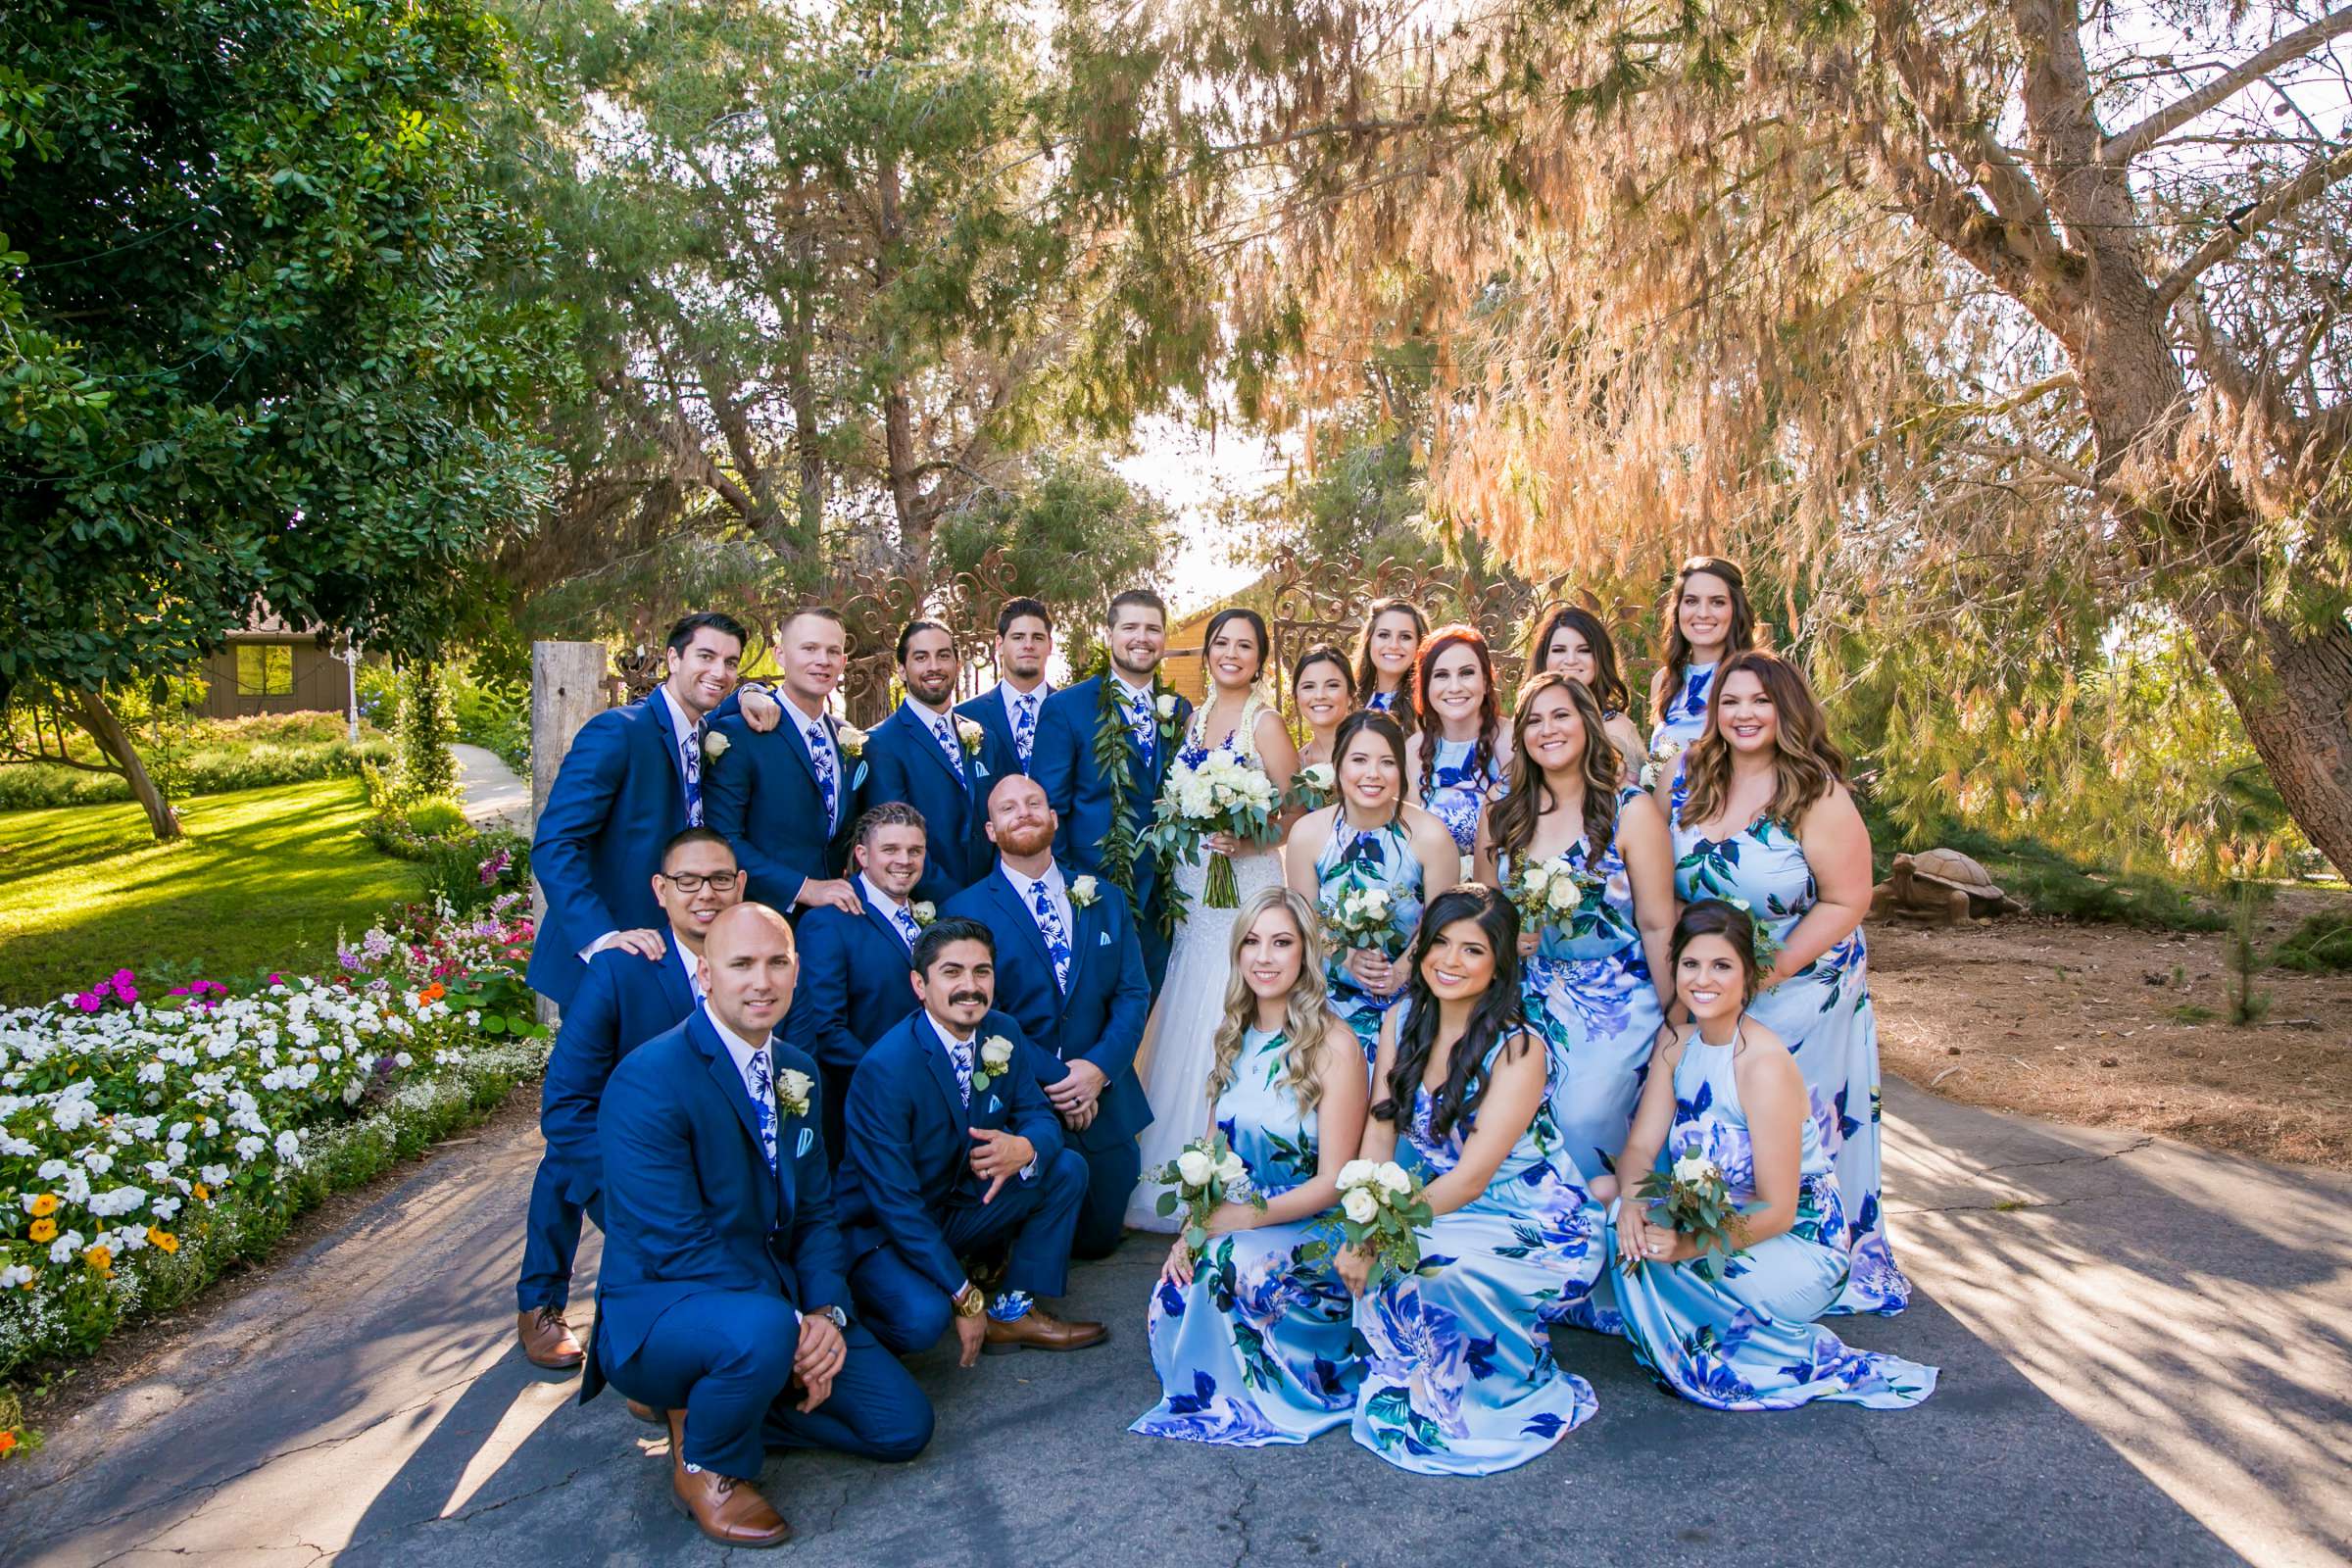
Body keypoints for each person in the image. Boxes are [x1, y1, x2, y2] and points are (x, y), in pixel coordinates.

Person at [583, 905, 933, 1548]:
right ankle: (705, 1461)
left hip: (778, 1308)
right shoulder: (648, 1080)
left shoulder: (798, 1070)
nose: (761, 981)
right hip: (665, 1306)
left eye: (777, 963)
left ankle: (715, 1400)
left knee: (902, 1428)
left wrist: (826, 1312)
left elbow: (819, 1213)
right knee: (761, 1328)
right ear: (706, 974)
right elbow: (677, 1243)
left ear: (796, 972)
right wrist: (792, 1325)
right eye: (741, 964)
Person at [1604, 902, 1937, 1411]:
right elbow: (1642, 1146)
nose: (1703, 980)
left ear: (1749, 975)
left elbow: (1779, 1210)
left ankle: (1708, 1334)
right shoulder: (1677, 1044)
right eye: (1691, 965)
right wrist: (1631, 1201)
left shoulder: (1762, 1064)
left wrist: (1685, 1245)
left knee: (1658, 1261)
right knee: (1613, 1211)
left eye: (1722, 966)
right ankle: (1675, 1314)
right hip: (1712, 1217)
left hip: (1797, 1241)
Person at [1667, 649, 1908, 1314]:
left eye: (1760, 701)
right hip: (1713, 984)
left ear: (1786, 709)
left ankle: (1812, 1254)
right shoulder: (1689, 777)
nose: (1745, 714)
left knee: (1799, 1125)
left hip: (1803, 988)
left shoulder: (1812, 790)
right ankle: (1719, 1238)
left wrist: (1764, 972)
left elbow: (1847, 898)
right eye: (1731, 701)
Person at [1343, 886, 1604, 1476]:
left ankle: (1496, 1388)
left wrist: (1379, 1237)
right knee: (1407, 1252)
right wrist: (1359, 1225)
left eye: (1472, 950)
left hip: (1535, 1219)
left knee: (1427, 1258)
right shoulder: (1401, 1020)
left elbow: (1471, 1178)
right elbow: (1380, 1133)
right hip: (1445, 1206)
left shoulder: (1519, 1048)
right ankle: (1425, 1373)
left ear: (1500, 964)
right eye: (1439, 944)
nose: (1450, 962)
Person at [1131, 888, 1369, 1446]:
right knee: (1176, 1288)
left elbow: (1335, 1181)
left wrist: (1243, 1220)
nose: (1264, 957)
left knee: (1230, 1263)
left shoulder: (1335, 1045)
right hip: (1240, 1215)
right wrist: (1191, 1229)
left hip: (1310, 1221)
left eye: (1281, 943)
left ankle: (1279, 1384)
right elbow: (1211, 1157)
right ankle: (1217, 1380)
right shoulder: (1233, 1036)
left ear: (1305, 953)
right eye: (1253, 943)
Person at [520, 827, 747, 1371]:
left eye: (718, 879)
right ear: (660, 889)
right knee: (572, 1165)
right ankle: (546, 1303)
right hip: (630, 1161)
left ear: (740, 886)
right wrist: (621, 1185)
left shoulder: (760, 968)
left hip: (719, 1160)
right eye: (687, 881)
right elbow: (567, 1107)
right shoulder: (622, 968)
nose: (705, 893)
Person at [833, 918, 1109, 1360]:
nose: (970, 986)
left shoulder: (1001, 1031)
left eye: (982, 972)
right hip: (884, 1228)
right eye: (952, 972)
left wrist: (1026, 1148)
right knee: (922, 1322)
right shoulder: (886, 1067)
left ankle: (1013, 1310)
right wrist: (964, 1294)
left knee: (1065, 1168)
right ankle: (852, 1328)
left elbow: (1038, 1114)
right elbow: (894, 1204)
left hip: (958, 1205)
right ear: (919, 985)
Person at [1125, 608, 1296, 1231]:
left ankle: (1234, 1160)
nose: (1230, 653)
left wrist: (1253, 843)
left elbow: (1298, 804)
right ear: (1207, 653)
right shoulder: (1192, 719)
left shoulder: (1266, 722)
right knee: (1192, 992)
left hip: (1245, 881)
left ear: (1260, 658)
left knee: (1237, 994)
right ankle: (1177, 1166)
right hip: (1197, 886)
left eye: (1244, 645)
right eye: (1221, 642)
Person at [1477, 673, 1676, 1182]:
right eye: (1534, 721)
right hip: (1522, 992)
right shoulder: (1502, 812)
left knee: (1580, 1117)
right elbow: (1483, 915)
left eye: (1561, 715)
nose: (1548, 730)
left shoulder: (1630, 810)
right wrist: (1505, 941)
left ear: (1587, 722)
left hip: (1614, 1001)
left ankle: (1596, 1234)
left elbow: (1656, 924)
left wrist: (1679, 1017)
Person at [945, 774, 1152, 1259]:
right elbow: (980, 1014)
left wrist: (1097, 1071)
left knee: (1099, 1243)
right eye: (1008, 808)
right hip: (1021, 1101)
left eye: (1034, 803)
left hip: (1103, 1098)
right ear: (991, 830)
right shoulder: (965, 911)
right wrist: (1060, 1080)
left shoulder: (1104, 897)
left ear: (1054, 818)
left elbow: (1132, 992)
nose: (1024, 812)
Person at [526, 612, 749, 1005]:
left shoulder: (706, 733)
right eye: (706, 656)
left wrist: (753, 695)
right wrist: (602, 938)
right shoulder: (619, 731)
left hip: (675, 958)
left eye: (731, 663)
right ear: (674, 659)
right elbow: (556, 843)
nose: (720, 672)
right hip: (614, 956)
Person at [1029, 589, 1193, 993]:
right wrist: (1073, 887)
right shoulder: (1067, 708)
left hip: (1166, 901)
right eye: (1130, 627)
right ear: (1109, 634)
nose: (1142, 638)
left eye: (1153, 629)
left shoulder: (1183, 710)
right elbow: (1050, 809)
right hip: (1096, 893)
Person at [1285, 710, 1458, 1059]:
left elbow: (1445, 926)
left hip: (1413, 998)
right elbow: (1307, 923)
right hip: (1330, 1001)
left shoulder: (1430, 835)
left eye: (1387, 762)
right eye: (1359, 760)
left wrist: (1402, 971)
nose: (1372, 774)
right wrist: (1347, 959)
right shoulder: (1307, 834)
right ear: (1338, 765)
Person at [782, 803, 930, 1159]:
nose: (904, 860)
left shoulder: (926, 914)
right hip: (868, 1105)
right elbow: (826, 1028)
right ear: (862, 855)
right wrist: (891, 1080)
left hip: (932, 1102)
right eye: (890, 850)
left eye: (915, 851)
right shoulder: (828, 922)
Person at [704, 606, 864, 919]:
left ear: (843, 661)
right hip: (762, 914)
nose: (823, 660)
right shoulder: (739, 733)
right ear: (780, 655)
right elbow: (723, 839)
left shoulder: (847, 737)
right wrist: (806, 888)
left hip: (836, 916)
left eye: (833, 651)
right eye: (809, 648)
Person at [862, 620, 1014, 905]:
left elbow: (1001, 819)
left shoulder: (984, 738)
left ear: (957, 664)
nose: (934, 666)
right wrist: (961, 902)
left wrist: (995, 893)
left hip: (994, 899)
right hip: (932, 907)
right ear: (902, 670)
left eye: (943, 655)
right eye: (921, 657)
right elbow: (896, 840)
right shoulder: (881, 743)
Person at [1404, 624, 1510, 859]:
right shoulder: (1412, 751)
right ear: (1426, 686)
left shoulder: (1512, 742)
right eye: (1441, 675)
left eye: (1466, 673)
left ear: (1485, 681)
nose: (1454, 687)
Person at [1647, 556, 1758, 770]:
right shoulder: (1664, 680)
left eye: (1717, 602)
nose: (1703, 613)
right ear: (1678, 610)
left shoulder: (1756, 677)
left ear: (1735, 609)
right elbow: (1660, 762)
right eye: (1691, 601)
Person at [1523, 603, 1646, 783]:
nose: (1571, 660)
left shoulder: (1615, 729)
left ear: (1599, 658)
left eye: (1584, 650)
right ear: (1544, 658)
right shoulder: (1526, 724)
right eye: (1559, 650)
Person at [957, 597, 1054, 773]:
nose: (1028, 645)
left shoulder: (1072, 712)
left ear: (1050, 645)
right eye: (1018, 637)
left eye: (1038, 638)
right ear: (1000, 645)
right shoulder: (963, 717)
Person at [1351, 598, 1426, 736]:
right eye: (1384, 635)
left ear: (1419, 645)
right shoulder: (1350, 700)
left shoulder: (1425, 708)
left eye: (1405, 637)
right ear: (1369, 641)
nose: (1393, 645)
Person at [1289, 644, 1355, 782]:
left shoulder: (1371, 752)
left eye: (1332, 685)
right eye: (1309, 687)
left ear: (1350, 695)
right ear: (1296, 697)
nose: (1320, 695)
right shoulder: (1297, 763)